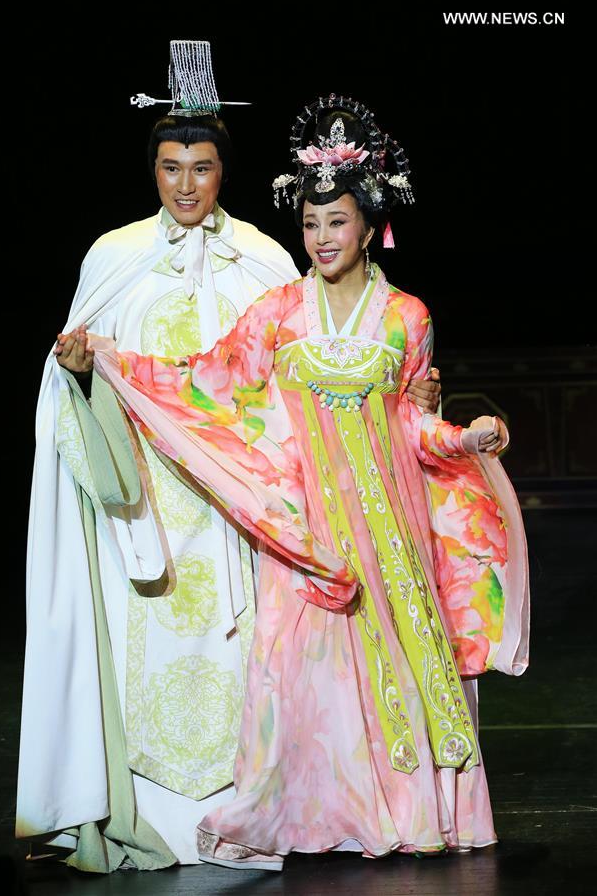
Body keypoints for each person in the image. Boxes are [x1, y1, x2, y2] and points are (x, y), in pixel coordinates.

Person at [17, 57, 442, 872]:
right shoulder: (114, 255)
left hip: (237, 507)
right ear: (152, 171)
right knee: (147, 667)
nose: (187, 184)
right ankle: (141, 817)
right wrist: (79, 366)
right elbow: (73, 373)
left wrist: (408, 397)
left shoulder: (262, 260)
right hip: (147, 506)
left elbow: (305, 375)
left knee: (249, 658)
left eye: (203, 167)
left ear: (223, 172)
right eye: (171, 168)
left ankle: (262, 814)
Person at [89, 95, 529, 872]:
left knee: (400, 672)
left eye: (337, 222)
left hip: (392, 529)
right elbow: (211, 382)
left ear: (369, 226)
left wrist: (467, 436)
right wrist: (115, 362)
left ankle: (407, 814)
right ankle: (311, 817)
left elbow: (412, 425)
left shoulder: (406, 317)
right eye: (312, 224)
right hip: (307, 530)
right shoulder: (278, 314)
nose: (322, 238)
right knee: (300, 681)